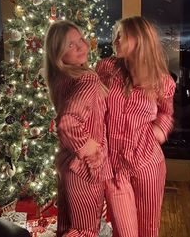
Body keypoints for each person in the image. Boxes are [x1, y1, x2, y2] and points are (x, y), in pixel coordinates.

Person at [96, 16, 176, 237]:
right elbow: (94, 108)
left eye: (121, 36)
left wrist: (157, 133)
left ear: (139, 39)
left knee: (149, 229)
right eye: (115, 35)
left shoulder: (161, 80)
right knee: (123, 231)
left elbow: (166, 114)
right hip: (115, 169)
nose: (115, 41)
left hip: (148, 165)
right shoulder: (106, 68)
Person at [44, 20, 112, 237]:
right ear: (57, 53)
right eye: (70, 45)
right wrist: (90, 147)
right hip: (84, 168)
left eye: (80, 40)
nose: (81, 46)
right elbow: (68, 122)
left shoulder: (62, 78)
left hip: (68, 165)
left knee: (67, 226)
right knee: (85, 231)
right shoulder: (87, 78)